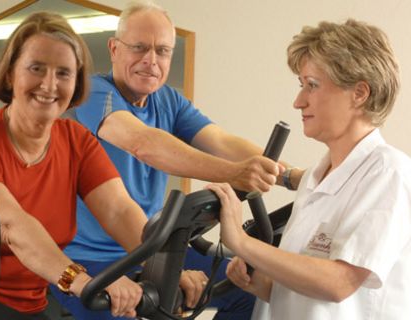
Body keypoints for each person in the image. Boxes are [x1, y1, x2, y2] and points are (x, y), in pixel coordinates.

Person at [51, 1, 303, 319]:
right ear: (114, 49)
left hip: (152, 249)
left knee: (249, 291)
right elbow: (142, 143)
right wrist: (237, 173)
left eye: (162, 51)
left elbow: (221, 141)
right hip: (89, 259)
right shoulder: (92, 93)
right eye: (139, 48)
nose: (150, 61)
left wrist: (294, 177)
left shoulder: (168, 100)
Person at [0, 12, 153, 319]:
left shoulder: (76, 141)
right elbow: (12, 225)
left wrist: (163, 264)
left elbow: (119, 210)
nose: (49, 84)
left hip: (29, 305)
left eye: (64, 73)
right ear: (10, 74)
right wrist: (79, 280)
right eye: (36, 68)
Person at [214, 19, 411, 320]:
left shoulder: (389, 173)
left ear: (359, 93)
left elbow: (339, 283)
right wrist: (260, 282)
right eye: (301, 85)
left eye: (312, 85)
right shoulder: (314, 179)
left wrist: (243, 243)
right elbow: (306, 295)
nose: (298, 101)